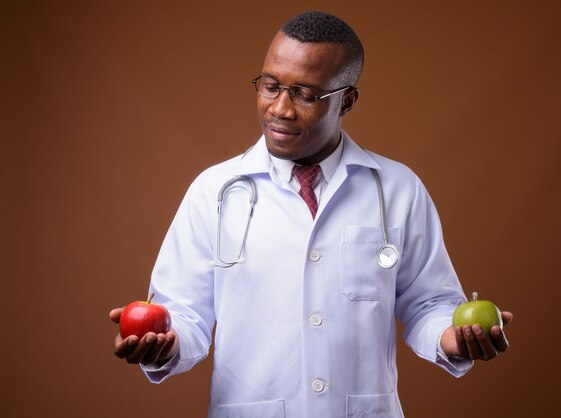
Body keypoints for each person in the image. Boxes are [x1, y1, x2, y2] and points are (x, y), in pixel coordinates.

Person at [110, 11, 512, 418]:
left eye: (305, 94)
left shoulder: (398, 189)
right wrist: (164, 342)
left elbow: (429, 304)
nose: (280, 109)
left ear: (347, 100)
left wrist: (452, 337)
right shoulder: (212, 192)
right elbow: (183, 313)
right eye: (270, 86)